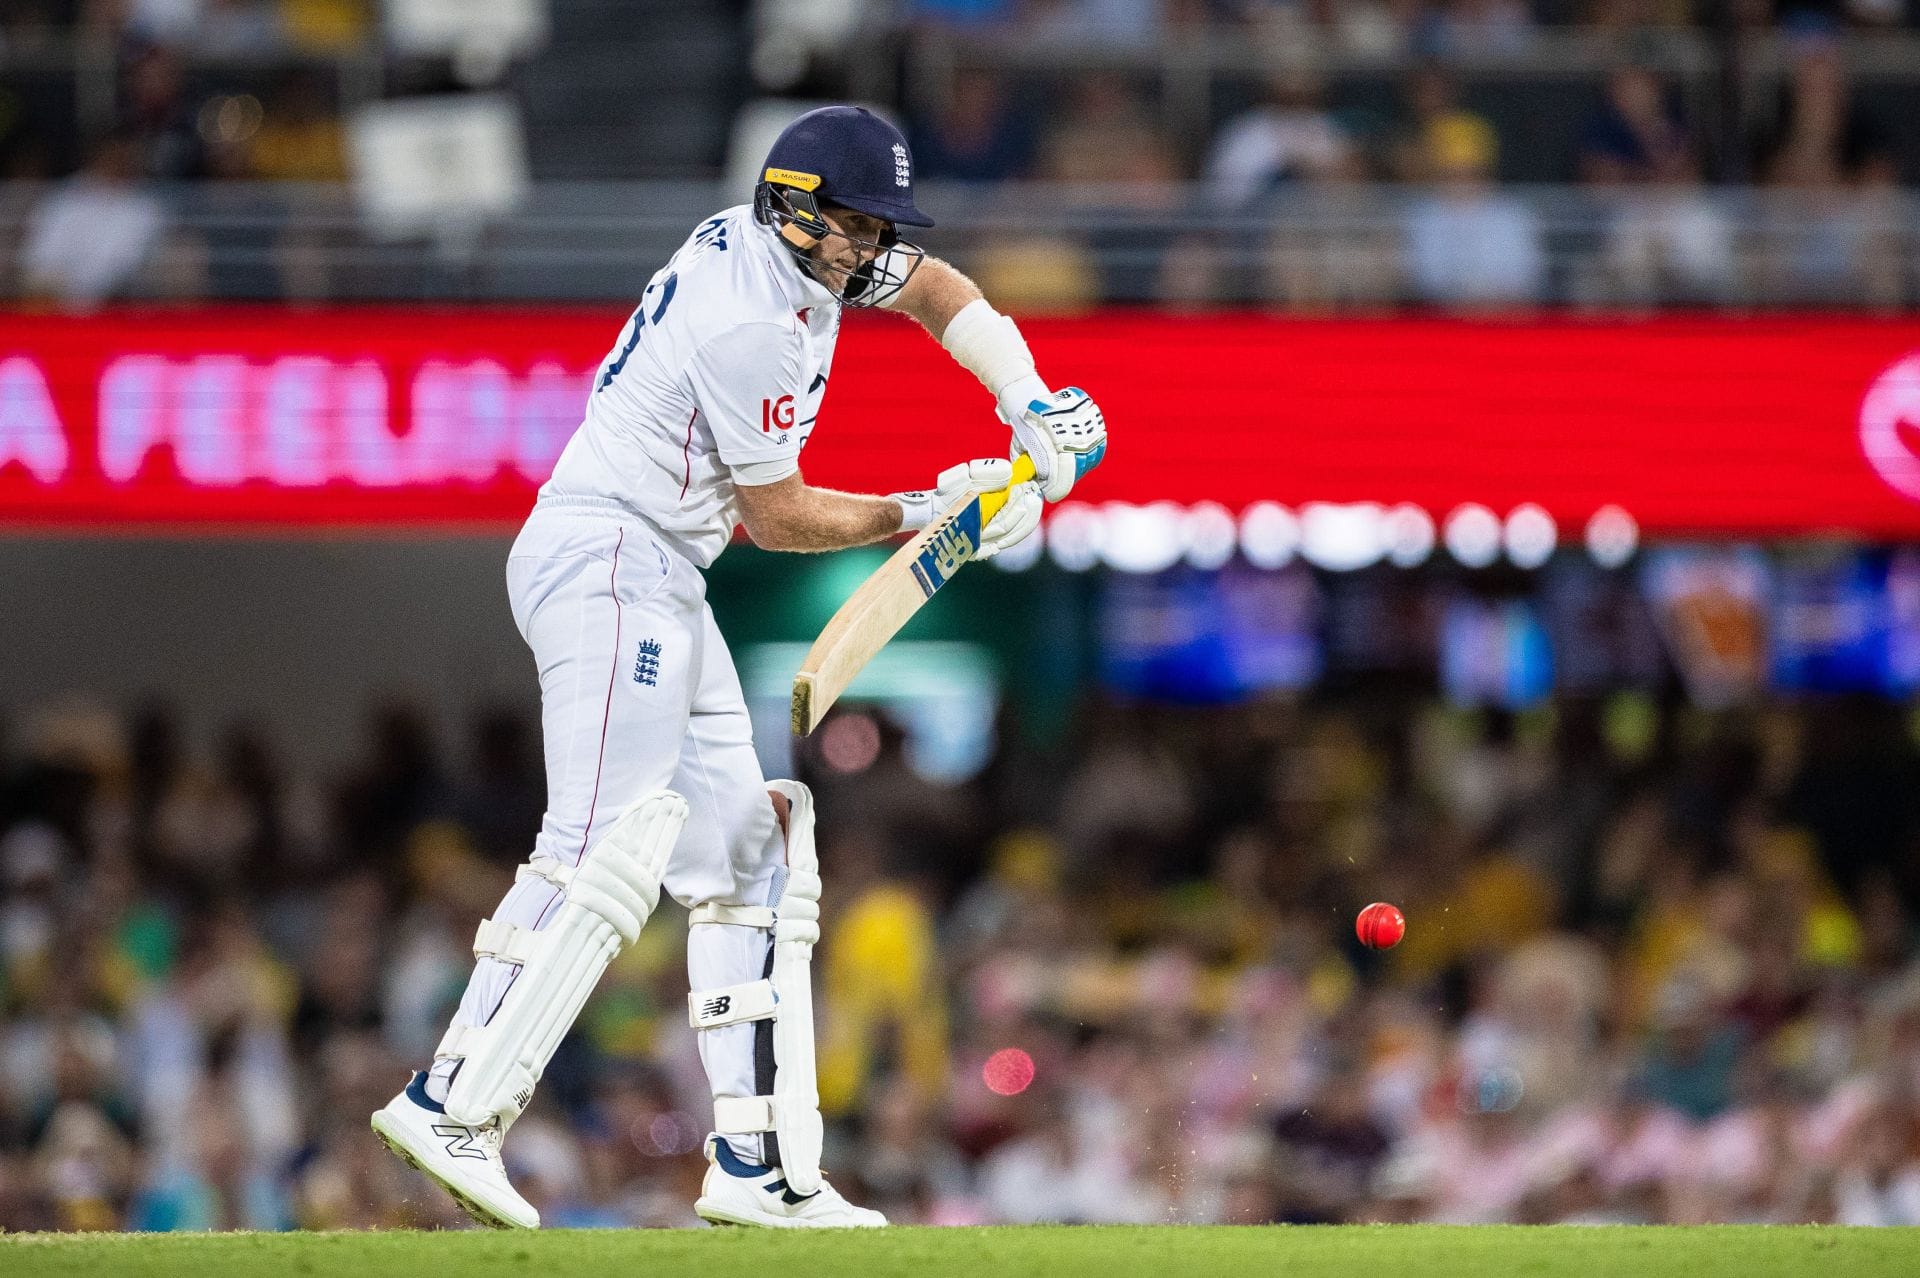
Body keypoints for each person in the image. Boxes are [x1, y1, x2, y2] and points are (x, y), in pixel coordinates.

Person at [369, 105, 1107, 1230]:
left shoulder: (801, 251)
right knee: (602, 842)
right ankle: (450, 1102)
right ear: (796, 209)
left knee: (751, 858)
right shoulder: (748, 318)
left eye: (879, 226)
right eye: (855, 226)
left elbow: (935, 288)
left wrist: (1030, 401)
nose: (871, 249)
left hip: (659, 571)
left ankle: (759, 1166)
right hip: (611, 558)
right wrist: (932, 507)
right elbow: (777, 516)